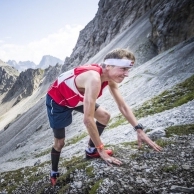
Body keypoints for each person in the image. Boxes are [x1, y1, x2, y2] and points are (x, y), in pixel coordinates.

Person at [46, 48, 162, 186]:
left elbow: (123, 106)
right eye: (123, 69)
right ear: (108, 66)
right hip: (58, 100)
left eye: (128, 69)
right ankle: (53, 172)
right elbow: (88, 120)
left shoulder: (109, 77)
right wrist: (102, 151)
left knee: (105, 116)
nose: (127, 74)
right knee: (60, 143)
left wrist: (139, 129)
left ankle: (91, 151)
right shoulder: (94, 79)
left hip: (76, 97)